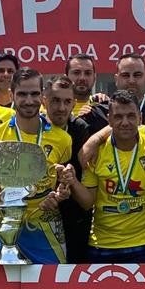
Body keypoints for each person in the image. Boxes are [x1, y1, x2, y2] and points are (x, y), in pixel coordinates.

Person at [66, 89, 145, 262]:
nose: (125, 122)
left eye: (131, 116)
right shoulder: (96, 152)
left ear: (140, 118)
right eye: (118, 117)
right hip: (102, 244)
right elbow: (87, 202)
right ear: (109, 119)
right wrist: (73, 182)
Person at [0, 68, 74, 263]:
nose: (29, 100)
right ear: (11, 95)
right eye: (22, 94)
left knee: (50, 288)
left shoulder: (63, 139)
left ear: (42, 96)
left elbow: (62, 182)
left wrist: (60, 194)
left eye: (34, 94)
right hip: (8, 227)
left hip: (46, 226)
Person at [43, 75, 94, 262]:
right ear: (44, 100)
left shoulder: (80, 128)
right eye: (55, 101)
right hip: (38, 219)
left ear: (74, 103)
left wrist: (70, 180)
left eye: (67, 102)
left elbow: (88, 201)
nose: (61, 108)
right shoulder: (34, 128)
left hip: (74, 220)